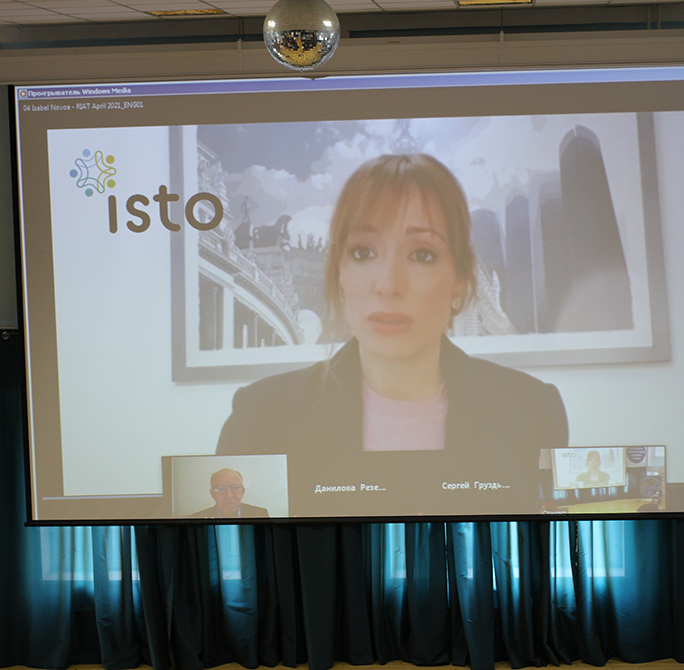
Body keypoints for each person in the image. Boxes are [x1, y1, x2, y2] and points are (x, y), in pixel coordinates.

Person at [217, 153, 568, 517]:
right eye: (363, 252)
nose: (388, 284)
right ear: (339, 275)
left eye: (422, 254)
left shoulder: (532, 410)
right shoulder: (261, 416)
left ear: (460, 280)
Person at [189, 468, 269, 518]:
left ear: (242, 491)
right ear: (212, 494)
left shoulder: (260, 514)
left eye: (234, 488)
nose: (229, 495)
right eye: (221, 489)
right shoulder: (196, 518)